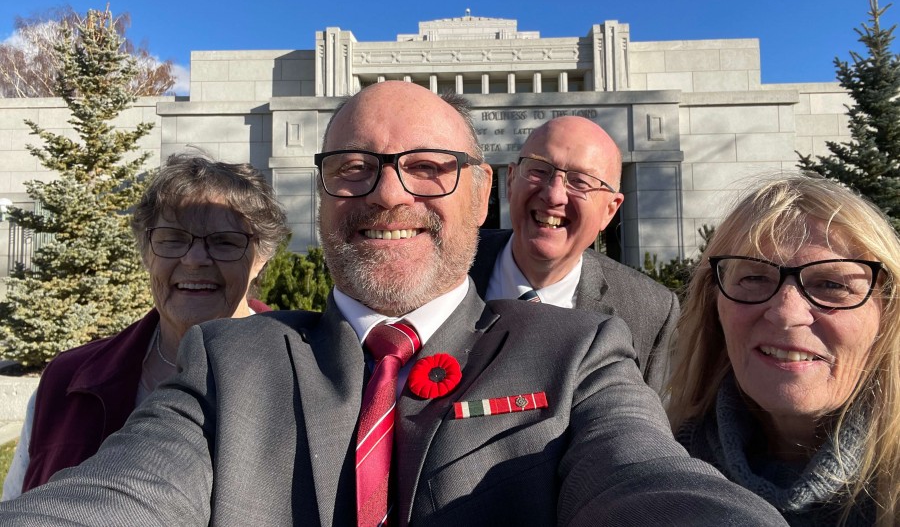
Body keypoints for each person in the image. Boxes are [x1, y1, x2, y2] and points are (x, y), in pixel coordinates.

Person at [0, 82, 787, 526]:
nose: (387, 193)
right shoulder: (227, 363)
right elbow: (118, 495)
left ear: (481, 192)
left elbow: (646, 477)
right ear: (321, 194)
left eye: (429, 167)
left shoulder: (579, 353)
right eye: (354, 167)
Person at [1, 152, 289, 500]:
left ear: (261, 258)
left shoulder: (305, 380)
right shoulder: (67, 383)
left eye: (224, 241)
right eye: (172, 238)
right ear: (146, 252)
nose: (194, 259)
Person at [668, 174, 900, 525]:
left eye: (831, 284)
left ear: (888, 311)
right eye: (754, 278)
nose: (786, 314)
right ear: (713, 304)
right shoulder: (661, 477)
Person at [470, 116, 679, 392]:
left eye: (580, 182)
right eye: (539, 170)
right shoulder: (448, 264)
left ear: (610, 210)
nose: (554, 195)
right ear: (511, 180)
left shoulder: (649, 310)